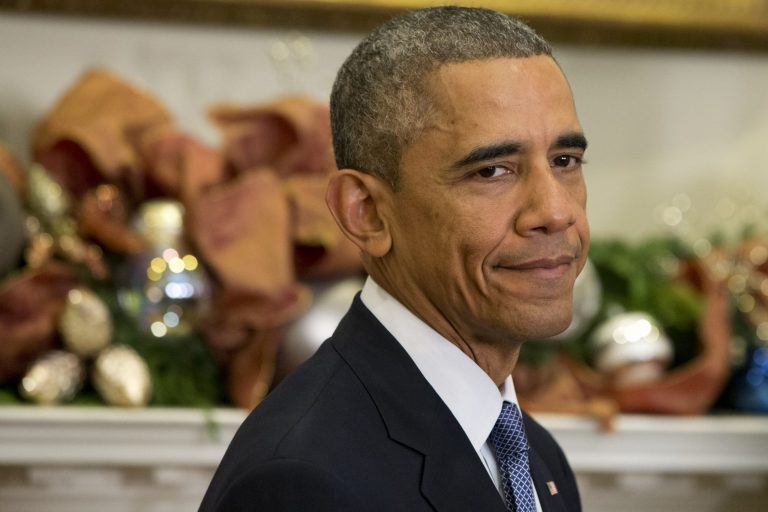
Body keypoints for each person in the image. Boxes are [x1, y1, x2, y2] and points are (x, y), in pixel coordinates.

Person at [200, 6, 587, 511]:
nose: (555, 213)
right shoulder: (300, 483)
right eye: (492, 171)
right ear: (366, 214)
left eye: (565, 161)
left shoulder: (536, 457)